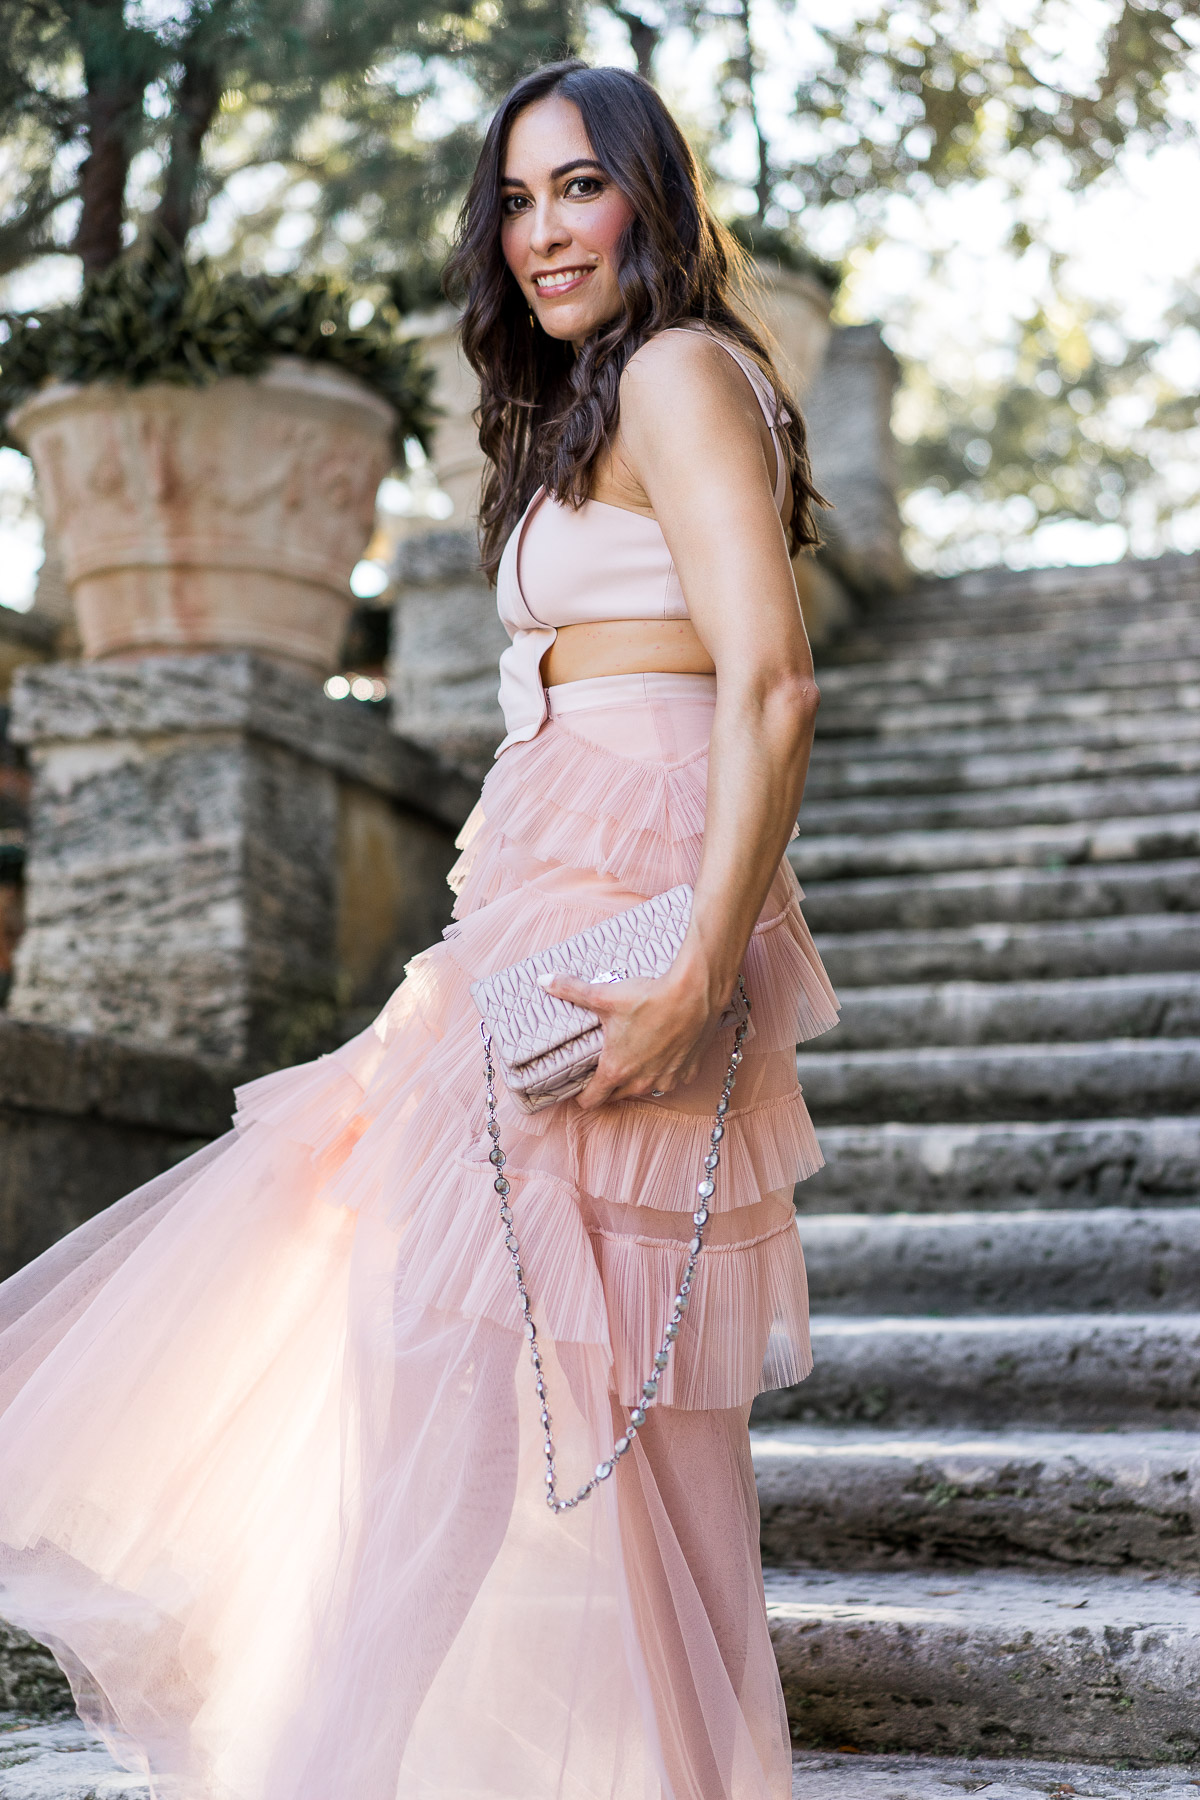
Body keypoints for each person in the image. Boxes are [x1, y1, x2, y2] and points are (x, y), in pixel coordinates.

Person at [0, 57, 839, 1800]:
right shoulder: (590, 406)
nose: (545, 233)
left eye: (581, 189)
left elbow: (770, 680)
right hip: (553, 907)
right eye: (517, 201)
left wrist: (694, 967)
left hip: (640, 910)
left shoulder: (683, 371)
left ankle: (341, 1762)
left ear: (653, 202)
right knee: (505, 1385)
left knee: (451, 1386)